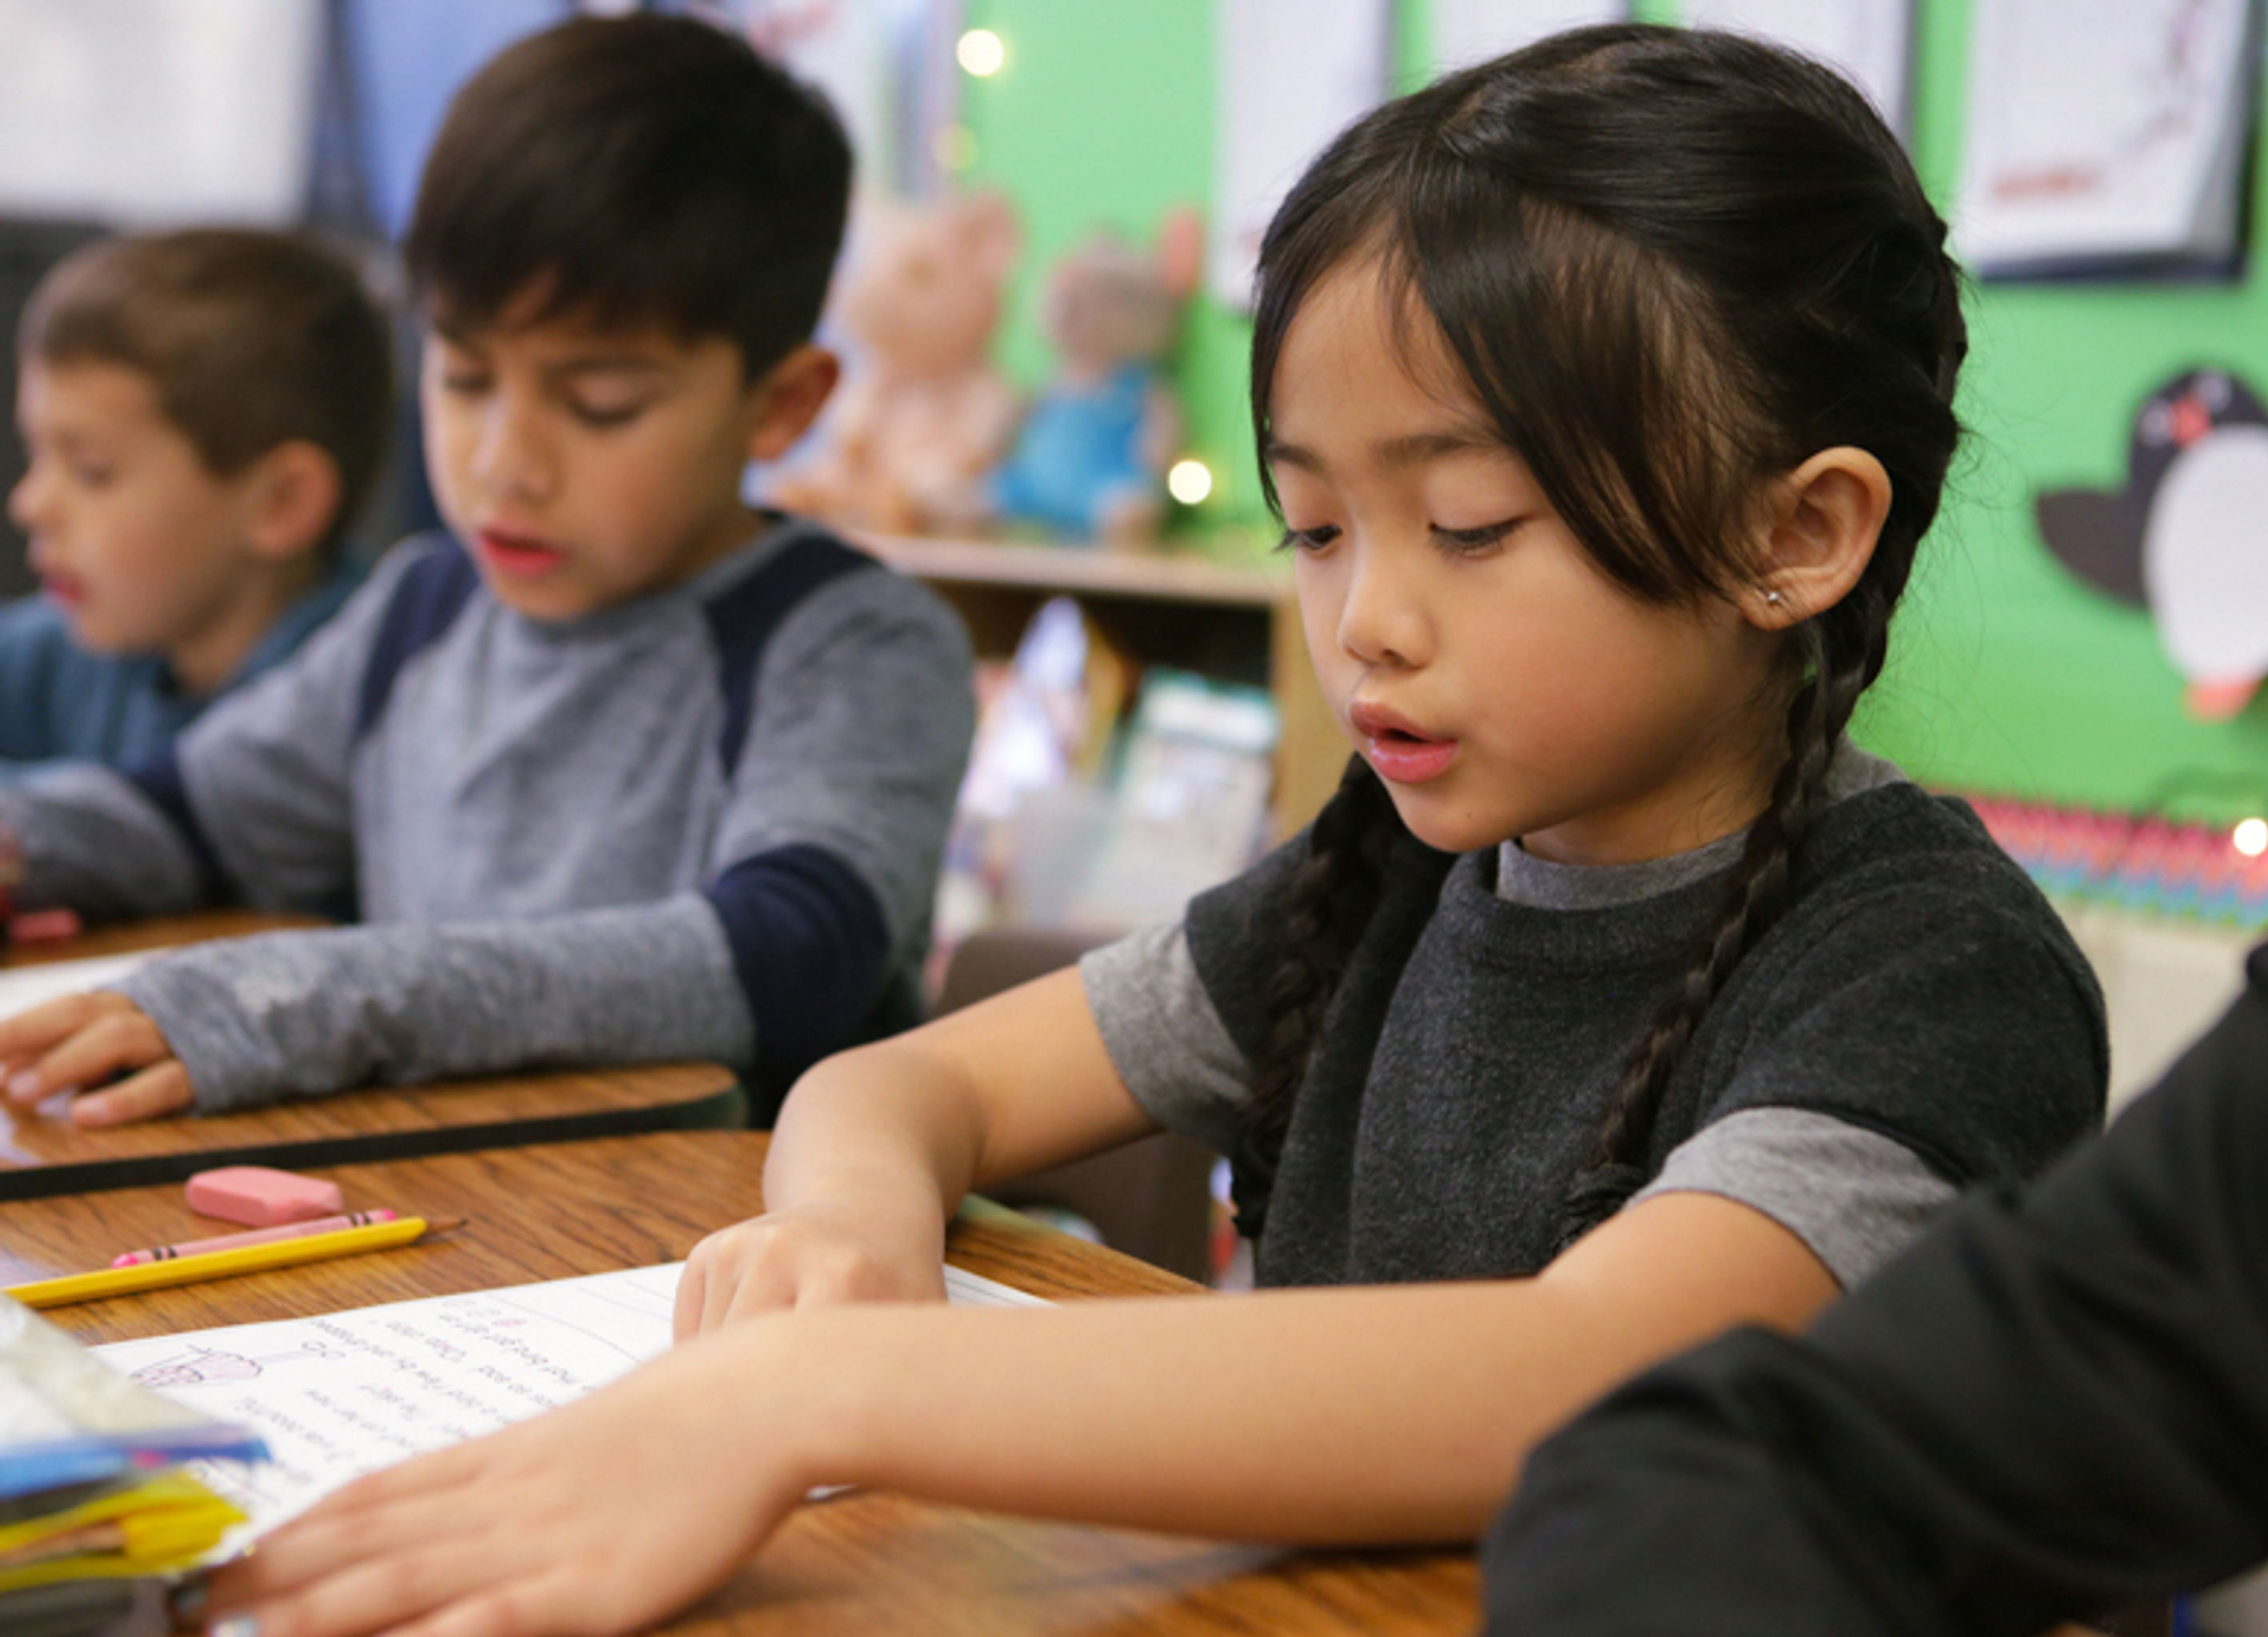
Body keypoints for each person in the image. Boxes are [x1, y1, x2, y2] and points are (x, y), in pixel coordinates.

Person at [207, 25, 2105, 1636]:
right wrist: (850, 1240)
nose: (1362, 615)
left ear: (1796, 532)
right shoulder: (1380, 874)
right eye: (1311, 526)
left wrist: (829, 1385)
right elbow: (890, 1088)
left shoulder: (1923, 965)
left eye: (1462, 526)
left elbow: (1575, 1381)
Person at [0, 14, 972, 1126]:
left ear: (782, 403)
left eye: (599, 404)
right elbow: (190, 811)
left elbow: (786, 958)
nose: (505, 466)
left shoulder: (855, 642)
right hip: (472, 1225)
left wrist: (315, 1000)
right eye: (463, 378)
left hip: (740, 1247)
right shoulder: (425, 604)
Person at [1480, 816, 2268, 1637]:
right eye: (1319, 570)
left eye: (1475, 567)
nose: (1365, 629)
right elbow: (1737, 1480)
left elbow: (1607, 1367)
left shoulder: (1936, 951)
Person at [2, 229, 385, 777]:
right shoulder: (82, 642)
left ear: (281, 503)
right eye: (35, 457)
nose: (29, 505)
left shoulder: (358, 702)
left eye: (93, 472)